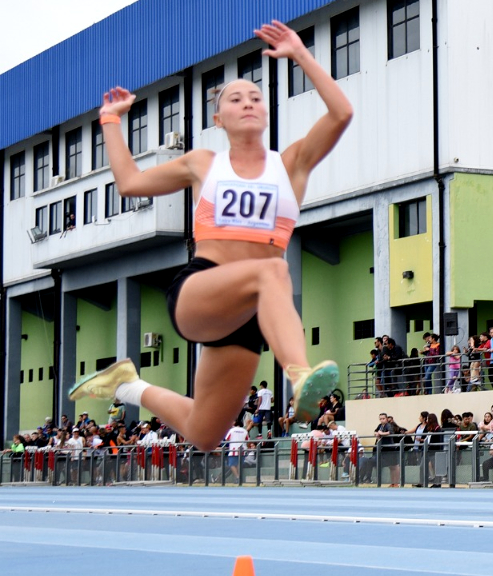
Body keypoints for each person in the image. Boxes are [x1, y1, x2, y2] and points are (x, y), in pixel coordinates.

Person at [68, 21, 352, 452]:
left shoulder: (291, 164)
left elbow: (342, 114)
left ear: (267, 111)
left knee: (204, 434)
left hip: (248, 316)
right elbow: (129, 182)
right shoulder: (203, 164)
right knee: (273, 271)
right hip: (200, 290)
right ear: (218, 119)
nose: (248, 102)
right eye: (235, 99)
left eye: (256, 97)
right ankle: (299, 375)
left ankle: (127, 385)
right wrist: (110, 120)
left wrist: (301, 54)